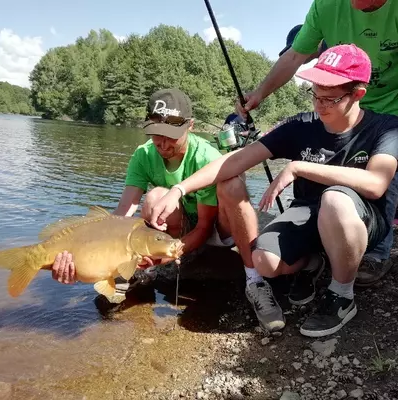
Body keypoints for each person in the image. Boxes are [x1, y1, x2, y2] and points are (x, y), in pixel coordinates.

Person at [148, 44, 398, 337]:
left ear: (358, 94)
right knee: (263, 261)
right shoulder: (301, 125)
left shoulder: (386, 128)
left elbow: (376, 184)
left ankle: (341, 295)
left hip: (361, 219)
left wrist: (299, 167)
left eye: (329, 99)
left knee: (335, 199)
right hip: (309, 214)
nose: (319, 105)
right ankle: (313, 262)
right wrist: (178, 188)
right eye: (315, 94)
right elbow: (236, 160)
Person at [51, 88, 274, 327]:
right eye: (156, 133)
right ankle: (143, 272)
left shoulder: (205, 156)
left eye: (170, 135)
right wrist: (85, 258)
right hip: (178, 232)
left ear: (190, 125)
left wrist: (169, 255)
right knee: (155, 196)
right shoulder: (143, 155)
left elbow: (203, 227)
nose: (162, 143)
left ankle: (254, 280)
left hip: (216, 228)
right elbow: (119, 218)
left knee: (232, 184)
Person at [236, 0, 398, 287]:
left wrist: (298, 168)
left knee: (384, 173)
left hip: (391, 107)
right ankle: (325, 245)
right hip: (340, 106)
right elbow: (295, 54)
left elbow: (375, 182)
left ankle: (377, 252)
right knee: (336, 185)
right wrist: (260, 93)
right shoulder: (326, 5)